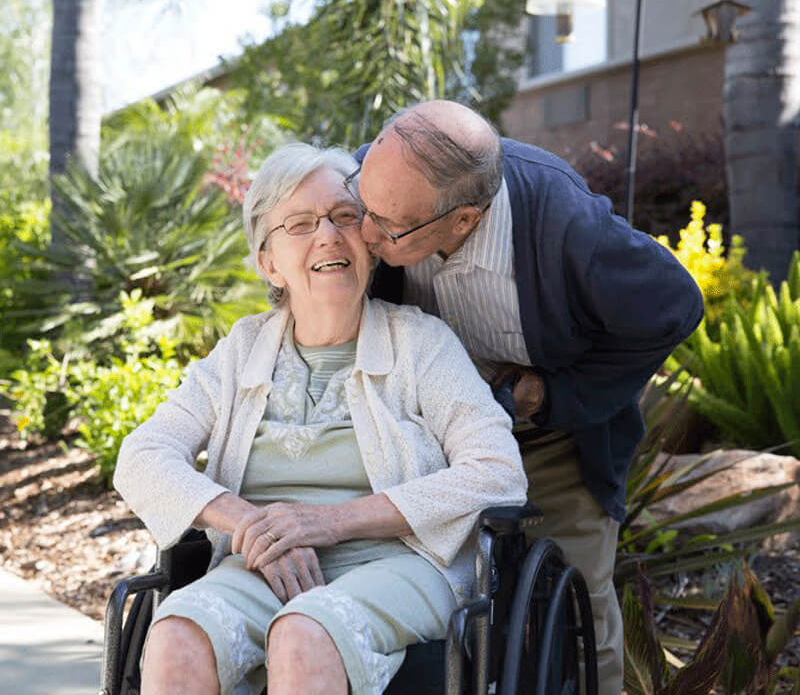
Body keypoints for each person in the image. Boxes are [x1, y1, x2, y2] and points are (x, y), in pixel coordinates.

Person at [113, 142, 527, 695]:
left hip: (401, 563)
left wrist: (330, 523)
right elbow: (142, 456)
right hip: (265, 565)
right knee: (177, 635)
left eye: (344, 216)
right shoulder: (241, 350)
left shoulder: (421, 343)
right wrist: (247, 522)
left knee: (304, 632)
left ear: (371, 242)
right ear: (268, 262)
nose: (328, 235)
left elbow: (498, 473)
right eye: (301, 223)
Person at [349, 100, 705, 695]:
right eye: (363, 205)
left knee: (578, 603)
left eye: (386, 226)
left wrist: (553, 393)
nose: (364, 232)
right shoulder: (382, 182)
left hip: (549, 440)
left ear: (463, 221)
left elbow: (676, 305)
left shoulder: (568, 229)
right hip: (423, 437)